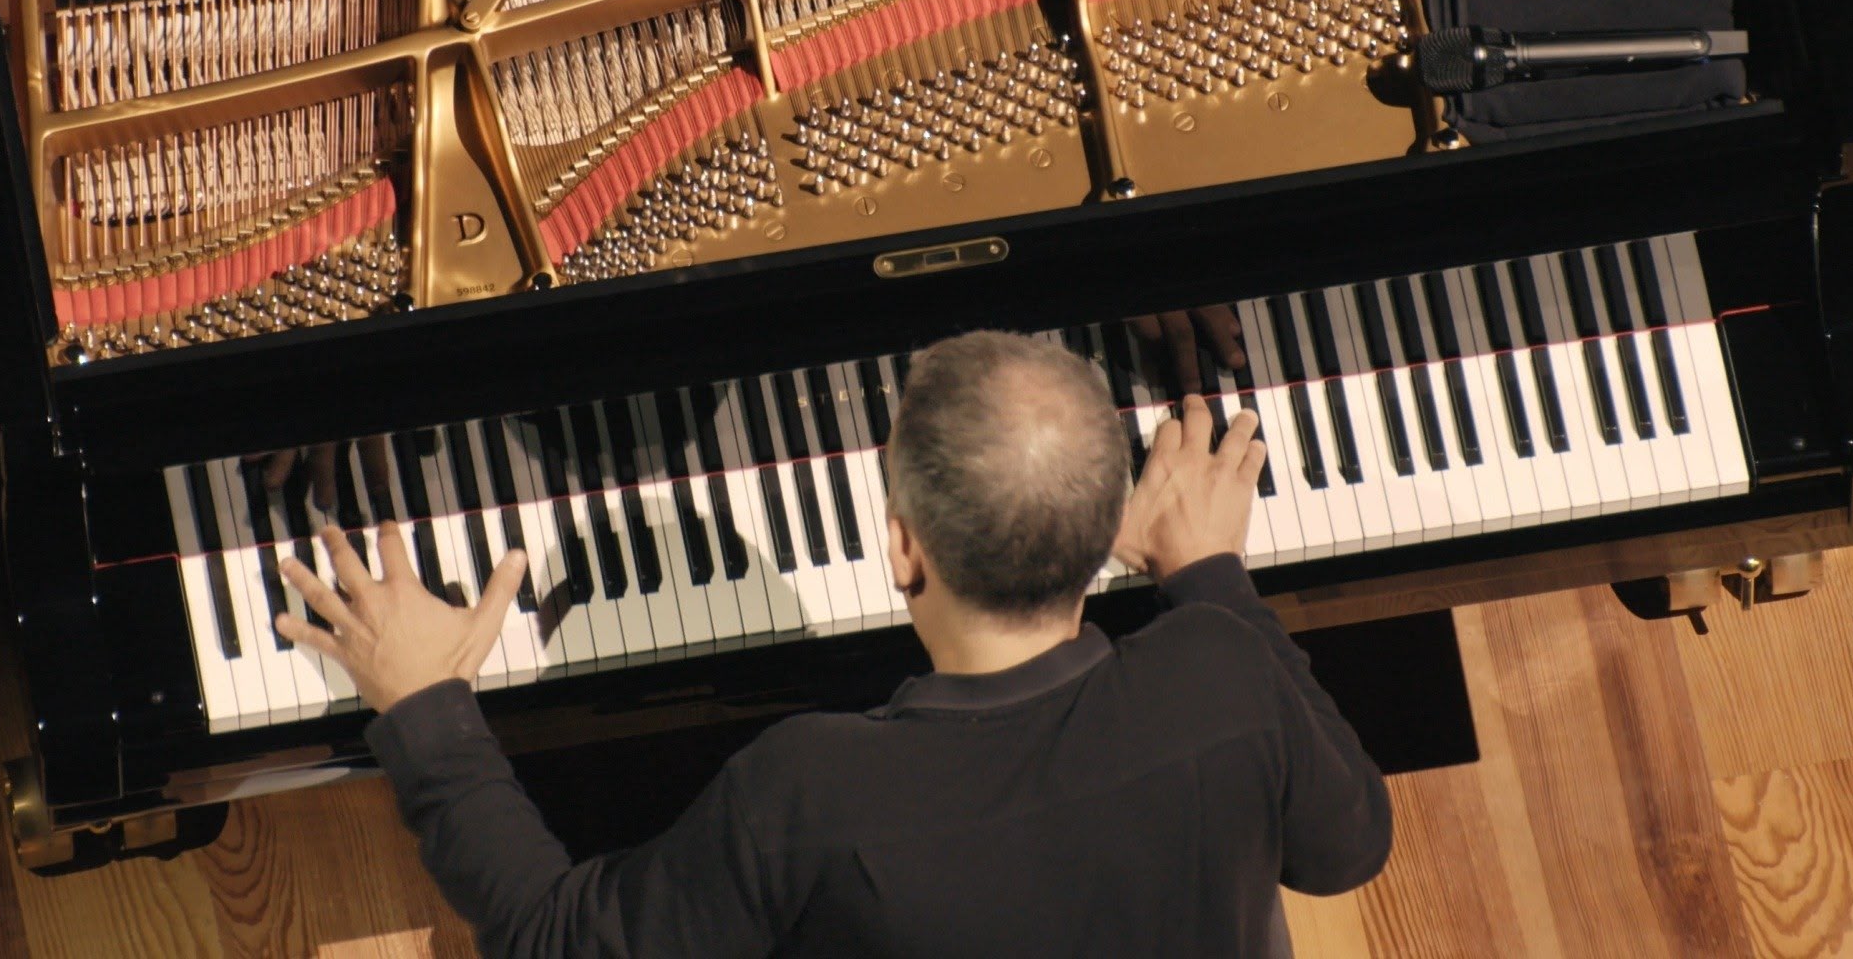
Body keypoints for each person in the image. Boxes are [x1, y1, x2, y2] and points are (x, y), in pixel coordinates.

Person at [276, 330, 1392, 957]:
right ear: (1109, 530)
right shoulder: (1220, 666)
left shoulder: (811, 792)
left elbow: (552, 944)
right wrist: (1211, 578)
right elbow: (1348, 850)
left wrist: (426, 715)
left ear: (902, 551)